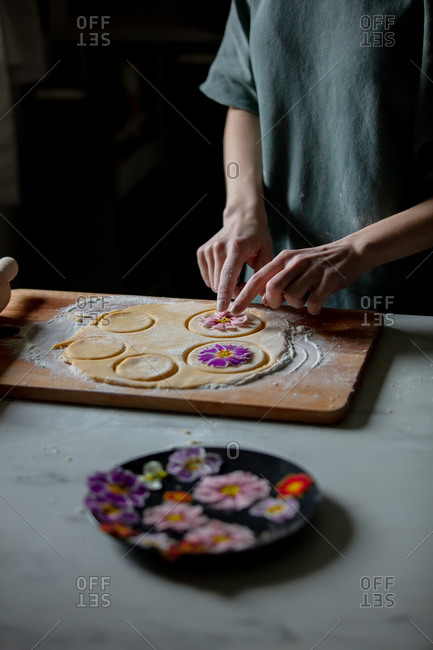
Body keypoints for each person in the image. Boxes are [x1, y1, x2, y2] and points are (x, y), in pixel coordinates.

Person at [197, 0, 433, 316]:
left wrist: (354, 250)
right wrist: (242, 210)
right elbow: (245, 99)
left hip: (402, 310)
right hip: (273, 294)